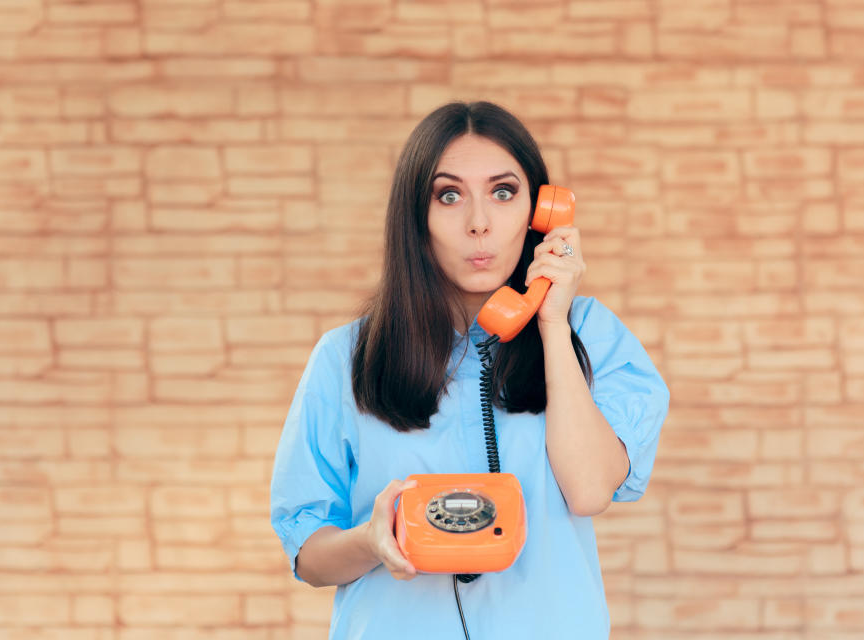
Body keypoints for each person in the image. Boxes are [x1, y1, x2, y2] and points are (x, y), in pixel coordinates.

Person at [270, 101, 670, 639]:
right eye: (449, 195)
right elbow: (308, 555)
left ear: (540, 210)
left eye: (503, 193)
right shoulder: (346, 358)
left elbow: (590, 490)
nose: (479, 223)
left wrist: (552, 324)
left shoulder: (591, 335)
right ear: (417, 216)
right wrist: (370, 541)